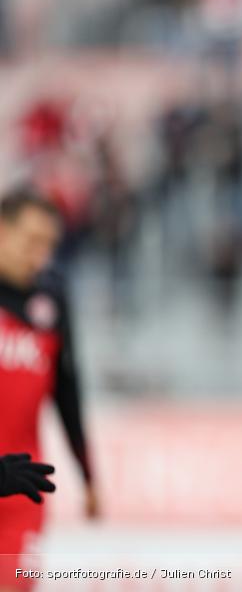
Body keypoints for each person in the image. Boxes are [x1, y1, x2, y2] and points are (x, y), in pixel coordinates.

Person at [0, 190, 97, 591]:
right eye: (31, 241)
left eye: (48, 246)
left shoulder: (52, 297)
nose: (39, 255)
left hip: (26, 483)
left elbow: (66, 389)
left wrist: (88, 475)